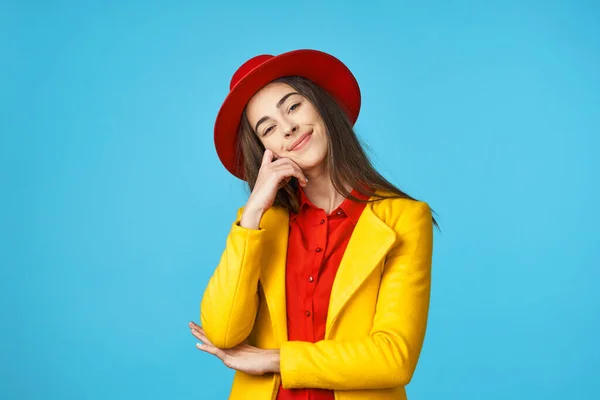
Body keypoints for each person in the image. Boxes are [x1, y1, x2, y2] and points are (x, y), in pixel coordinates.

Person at [188, 49, 437, 400]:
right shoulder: (257, 225)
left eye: (293, 107)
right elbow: (224, 331)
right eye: (268, 128)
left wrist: (274, 359)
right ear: (266, 151)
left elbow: (394, 357)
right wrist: (254, 210)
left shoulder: (404, 219)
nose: (287, 127)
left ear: (321, 106)